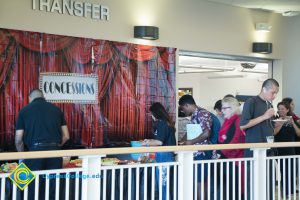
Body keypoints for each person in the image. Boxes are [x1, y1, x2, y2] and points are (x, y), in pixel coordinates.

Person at [15, 89, 70, 200]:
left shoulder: (24, 111)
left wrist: (21, 156)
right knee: (54, 189)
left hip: (34, 154)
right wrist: (56, 146)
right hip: (55, 153)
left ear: (30, 98)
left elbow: (18, 139)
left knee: (32, 189)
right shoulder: (56, 110)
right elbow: (66, 136)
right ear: (43, 97)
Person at [240, 78, 279, 199]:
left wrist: (279, 124)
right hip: (254, 152)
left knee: (269, 185)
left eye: (276, 93)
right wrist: (264, 116)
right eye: (273, 92)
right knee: (253, 185)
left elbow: (270, 129)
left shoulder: (269, 104)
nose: (274, 96)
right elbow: (243, 125)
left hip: (268, 150)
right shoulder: (251, 102)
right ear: (264, 89)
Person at [178, 94, 212, 199]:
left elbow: (207, 133)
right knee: (198, 181)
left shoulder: (203, 113)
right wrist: (181, 142)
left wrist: (191, 142)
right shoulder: (194, 115)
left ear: (187, 105)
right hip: (196, 152)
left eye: (183, 109)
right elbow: (191, 132)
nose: (183, 112)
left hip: (202, 152)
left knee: (200, 181)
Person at [141, 102, 176, 200]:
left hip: (164, 156)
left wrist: (145, 143)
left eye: (152, 114)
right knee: (164, 184)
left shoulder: (162, 123)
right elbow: (160, 139)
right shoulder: (166, 123)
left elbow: (159, 142)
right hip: (167, 155)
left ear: (156, 113)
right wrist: (150, 141)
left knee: (163, 185)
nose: (151, 116)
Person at [217, 97, 245, 199]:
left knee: (234, 190)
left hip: (235, 159)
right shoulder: (227, 121)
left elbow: (236, 139)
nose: (222, 111)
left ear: (232, 108)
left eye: (225, 108)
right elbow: (223, 138)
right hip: (226, 159)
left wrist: (221, 152)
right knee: (227, 189)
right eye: (222, 108)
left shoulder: (238, 120)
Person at [274, 101, 300, 197]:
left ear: (287, 110)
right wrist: (280, 123)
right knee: (283, 171)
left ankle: (291, 192)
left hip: (291, 150)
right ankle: (284, 192)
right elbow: (273, 134)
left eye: (283, 109)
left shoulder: (292, 120)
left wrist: (293, 123)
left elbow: (298, 134)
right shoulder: (275, 120)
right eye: (279, 108)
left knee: (292, 171)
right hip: (280, 150)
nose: (280, 110)